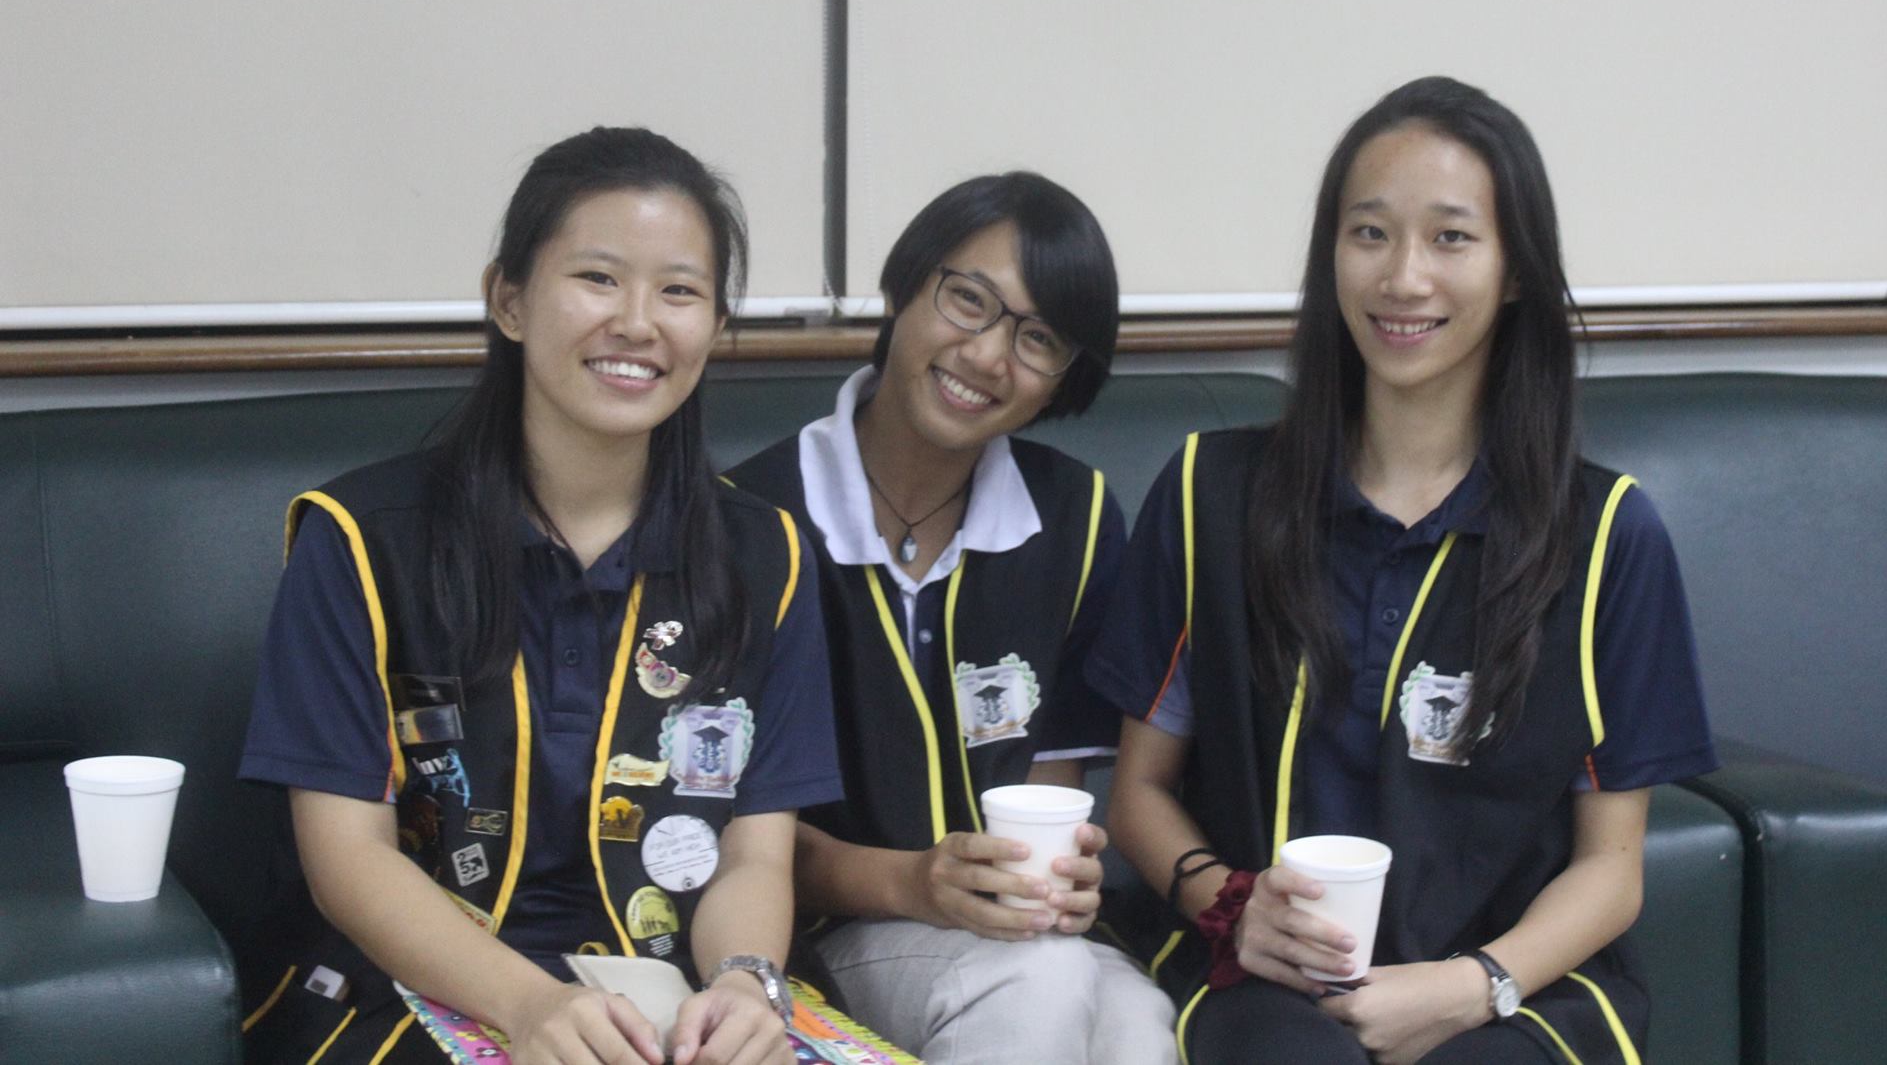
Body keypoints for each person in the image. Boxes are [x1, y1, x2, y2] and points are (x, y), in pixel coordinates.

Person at [1086, 78, 1718, 1065]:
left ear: (1515, 270)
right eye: (1370, 233)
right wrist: (1234, 907)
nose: (1402, 277)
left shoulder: (1606, 536)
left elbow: (1611, 869)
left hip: (1504, 986)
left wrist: (1470, 986)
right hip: (1262, 975)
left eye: (1450, 238)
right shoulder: (1212, 491)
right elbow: (1137, 794)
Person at [238, 128, 843, 1065]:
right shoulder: (360, 540)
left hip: (673, 985)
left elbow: (755, 855)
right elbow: (347, 859)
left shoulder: (768, 556)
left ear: (715, 326)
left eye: (679, 291)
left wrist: (740, 982)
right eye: (598, 278)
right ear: (509, 299)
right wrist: (531, 1006)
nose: (638, 322)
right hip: (413, 989)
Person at [726, 172, 1178, 1065]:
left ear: (1064, 379)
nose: (987, 355)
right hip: (818, 932)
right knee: (1038, 980)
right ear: (905, 285)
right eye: (968, 299)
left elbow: (1048, 784)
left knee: (1137, 1019)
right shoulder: (751, 521)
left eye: (1038, 338)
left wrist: (1061, 873)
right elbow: (733, 835)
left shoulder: (1076, 517)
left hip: (1013, 936)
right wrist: (914, 882)